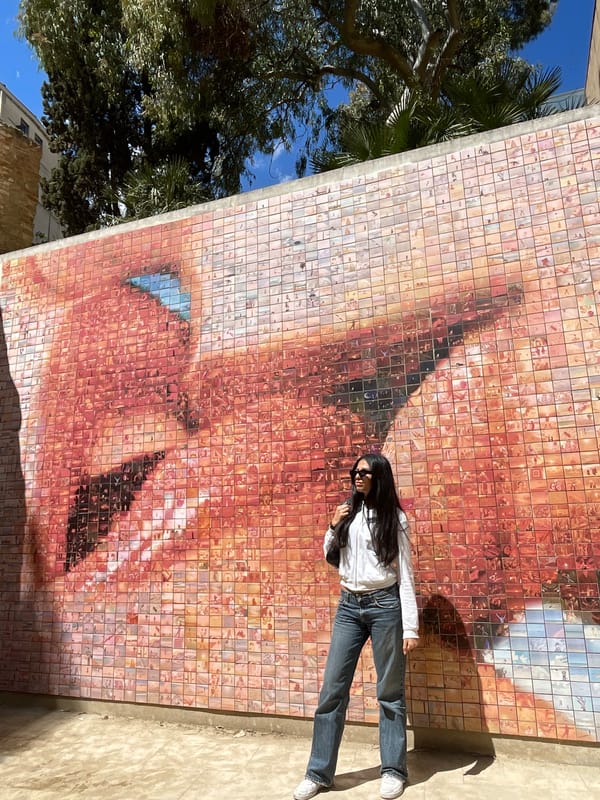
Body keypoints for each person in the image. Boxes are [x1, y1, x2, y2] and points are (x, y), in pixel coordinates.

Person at [294, 453, 419, 800]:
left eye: (364, 472)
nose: (357, 477)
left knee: (389, 693)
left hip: (385, 606)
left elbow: (405, 575)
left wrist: (411, 627)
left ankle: (393, 769)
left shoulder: (395, 519)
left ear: (379, 477)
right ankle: (318, 772)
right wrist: (333, 524)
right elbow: (329, 555)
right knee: (332, 690)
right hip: (349, 606)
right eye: (355, 472)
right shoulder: (348, 513)